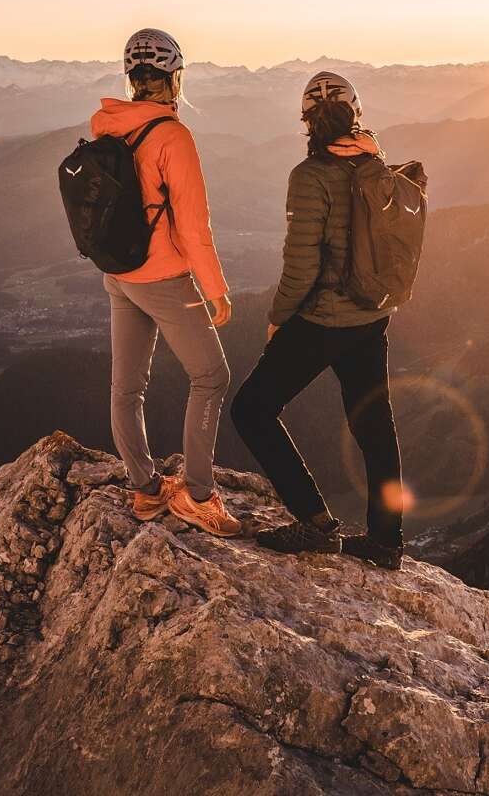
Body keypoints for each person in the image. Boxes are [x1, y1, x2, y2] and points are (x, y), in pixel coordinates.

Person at [231, 71, 406, 570]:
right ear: (356, 114)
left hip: (324, 319)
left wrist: (278, 318)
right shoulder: (376, 165)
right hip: (372, 316)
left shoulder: (309, 177)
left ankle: (315, 523)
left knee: (251, 409)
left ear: (307, 120)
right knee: (374, 425)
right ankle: (387, 542)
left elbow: (302, 263)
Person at [91, 28, 240, 537]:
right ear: (174, 78)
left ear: (131, 78)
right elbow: (193, 228)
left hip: (119, 274)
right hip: (163, 277)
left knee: (126, 386)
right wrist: (214, 289)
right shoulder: (172, 137)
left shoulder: (109, 127)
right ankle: (198, 495)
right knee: (211, 376)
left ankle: (145, 490)